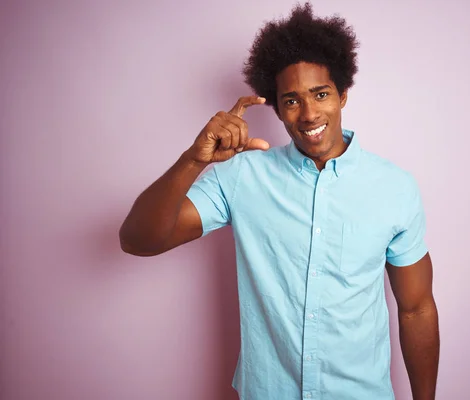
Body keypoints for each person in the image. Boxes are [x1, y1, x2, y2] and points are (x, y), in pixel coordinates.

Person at [119, 3, 439, 399]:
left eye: (320, 94)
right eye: (291, 100)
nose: (308, 113)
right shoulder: (240, 177)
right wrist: (192, 161)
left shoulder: (394, 187)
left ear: (342, 95)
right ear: (277, 108)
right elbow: (137, 240)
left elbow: (417, 309)